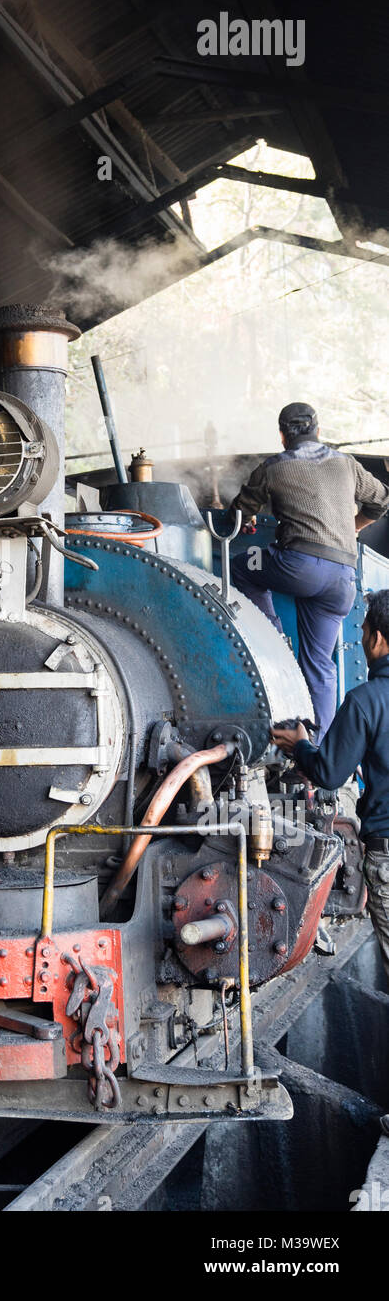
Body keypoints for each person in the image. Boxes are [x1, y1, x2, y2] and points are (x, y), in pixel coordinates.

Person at [230, 402, 389, 740]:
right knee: (321, 666)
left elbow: (239, 512)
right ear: (318, 430)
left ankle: (271, 636)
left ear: (282, 436)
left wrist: (249, 517)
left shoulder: (273, 468)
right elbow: (381, 501)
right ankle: (319, 747)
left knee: (242, 566)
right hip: (342, 579)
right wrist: (354, 525)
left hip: (296, 567)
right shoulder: (346, 464)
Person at [271, 588, 389, 987]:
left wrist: (299, 744)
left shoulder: (367, 700)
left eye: (364, 630)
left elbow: (329, 772)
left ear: (376, 639)